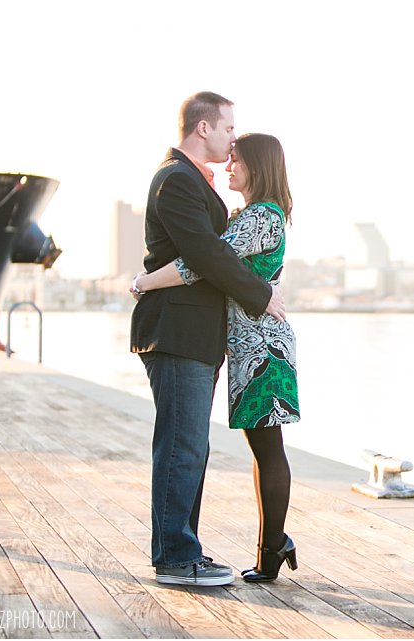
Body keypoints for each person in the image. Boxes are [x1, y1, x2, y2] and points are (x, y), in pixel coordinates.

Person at [130, 92, 286, 587]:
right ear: (204, 128)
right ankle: (177, 558)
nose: (232, 138)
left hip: (196, 333)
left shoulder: (190, 179)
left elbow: (212, 253)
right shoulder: (177, 178)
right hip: (178, 332)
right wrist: (262, 294)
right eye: (228, 128)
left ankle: (183, 550)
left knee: (190, 446)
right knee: (182, 446)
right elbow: (207, 255)